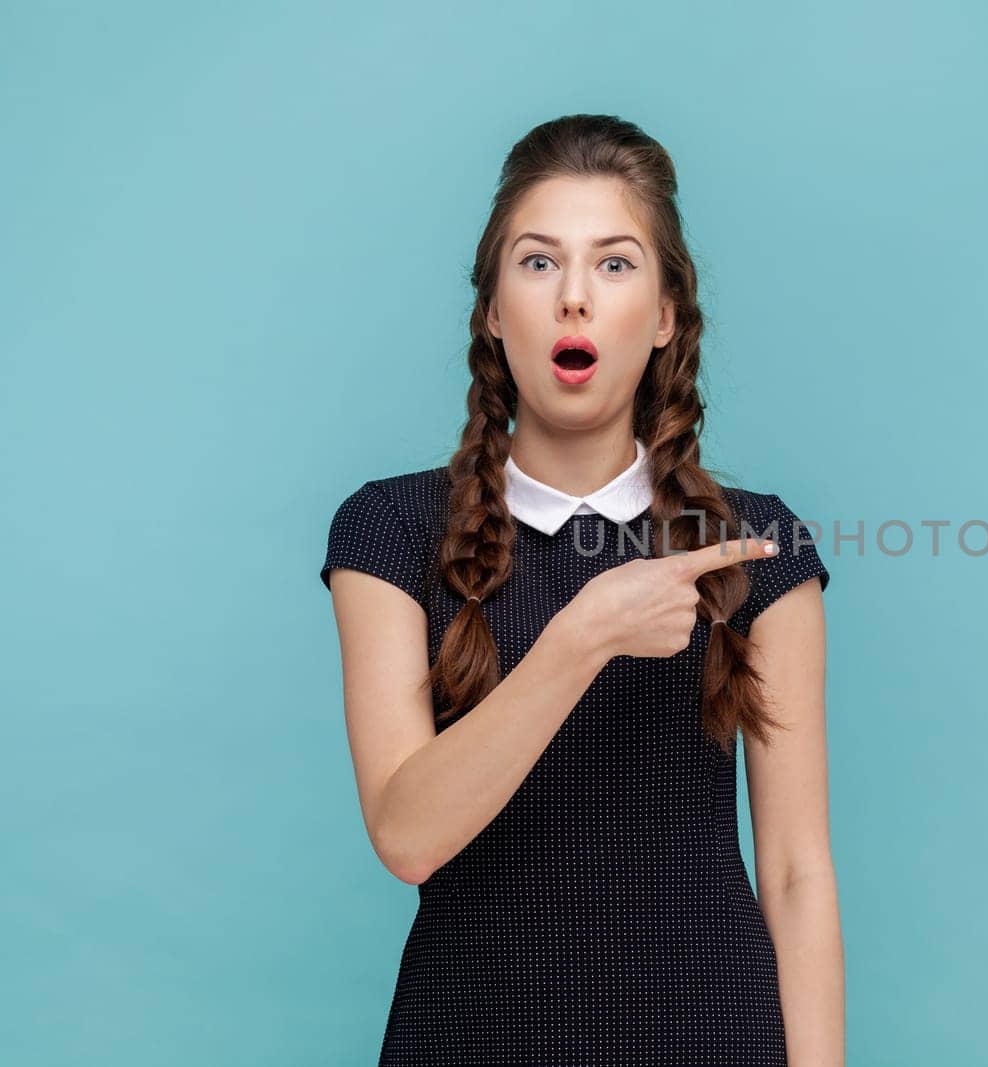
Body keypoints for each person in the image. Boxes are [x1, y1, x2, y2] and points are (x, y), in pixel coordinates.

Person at [318, 114, 844, 1065]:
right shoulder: (390, 532)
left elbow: (799, 873)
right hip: (465, 1040)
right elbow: (407, 835)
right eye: (536, 263)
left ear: (666, 315)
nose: (573, 300)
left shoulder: (752, 550)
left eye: (613, 264)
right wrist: (579, 638)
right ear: (491, 310)